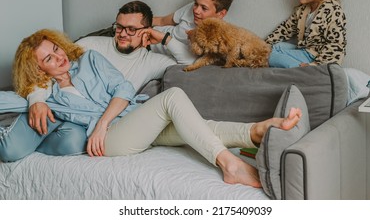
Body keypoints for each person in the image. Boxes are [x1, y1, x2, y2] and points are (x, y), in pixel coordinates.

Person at [1, 29, 302, 188]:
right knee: (172, 98)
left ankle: (256, 131)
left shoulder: (90, 60)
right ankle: (230, 165)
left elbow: (123, 89)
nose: (58, 57)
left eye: (55, 49)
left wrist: (105, 122)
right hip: (109, 142)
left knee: (192, 127)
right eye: (48, 59)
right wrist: (35, 98)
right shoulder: (46, 94)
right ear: (37, 69)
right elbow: (6, 99)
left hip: (126, 122)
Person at [27, 0, 194, 136]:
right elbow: (49, 69)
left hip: (119, 123)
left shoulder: (152, 61)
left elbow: (189, 64)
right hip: (83, 120)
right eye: (119, 27)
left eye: (131, 30)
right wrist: (37, 101)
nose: (122, 34)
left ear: (146, 31)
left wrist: (165, 38)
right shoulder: (90, 45)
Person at [151, 0, 234, 60]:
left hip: (157, 56)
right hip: (148, 37)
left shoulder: (219, 39)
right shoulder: (192, 8)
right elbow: (161, 21)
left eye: (204, 8)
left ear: (221, 14)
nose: (196, 10)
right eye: (196, 4)